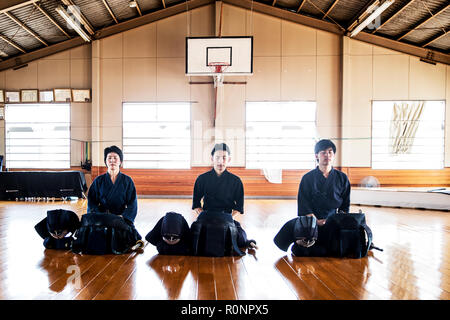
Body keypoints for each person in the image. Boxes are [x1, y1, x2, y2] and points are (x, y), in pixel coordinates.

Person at [191, 143, 256, 256]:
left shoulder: (236, 181)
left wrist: (228, 218)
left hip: (226, 218)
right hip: (207, 217)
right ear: (212, 159)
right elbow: (196, 204)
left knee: (241, 239)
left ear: (229, 159)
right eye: (217, 158)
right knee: (193, 237)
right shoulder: (202, 179)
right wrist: (205, 216)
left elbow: (239, 207)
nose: (221, 161)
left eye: (224, 158)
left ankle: (248, 241)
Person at [75, 145, 143, 254]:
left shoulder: (127, 181)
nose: (112, 161)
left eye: (115, 158)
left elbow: (132, 203)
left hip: (119, 217)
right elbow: (92, 202)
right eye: (109, 158)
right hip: (102, 217)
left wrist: (125, 217)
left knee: (126, 233)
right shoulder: (99, 180)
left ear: (120, 161)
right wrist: (98, 214)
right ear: (105, 161)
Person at [292, 139, 351, 256]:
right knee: (302, 250)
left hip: (333, 221)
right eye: (323, 152)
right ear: (316, 156)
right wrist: (316, 221)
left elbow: (345, 205)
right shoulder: (307, 178)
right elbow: (304, 204)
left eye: (330, 152)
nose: (327, 155)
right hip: (311, 222)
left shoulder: (342, 178)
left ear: (333, 155)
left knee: (339, 249)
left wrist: (337, 220)